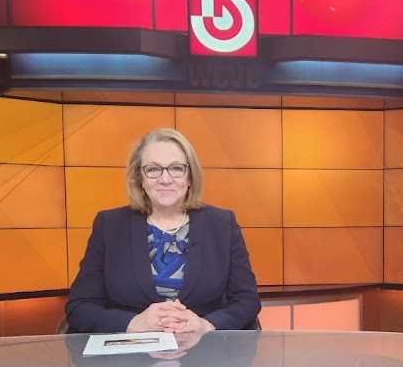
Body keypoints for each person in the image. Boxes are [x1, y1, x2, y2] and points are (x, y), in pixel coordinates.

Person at [66, 128, 261, 334]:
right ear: (140, 178)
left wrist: (206, 325)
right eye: (153, 169)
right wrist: (132, 323)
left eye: (176, 168)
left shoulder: (222, 224)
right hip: (131, 351)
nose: (165, 179)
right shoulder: (109, 225)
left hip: (204, 348)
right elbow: (79, 308)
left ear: (190, 177)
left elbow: (247, 301)